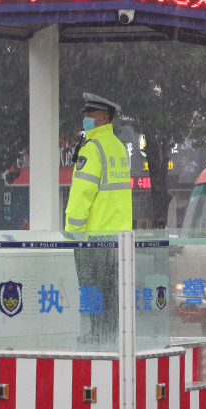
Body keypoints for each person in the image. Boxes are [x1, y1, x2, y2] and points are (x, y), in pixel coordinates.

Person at [65, 93, 132, 344]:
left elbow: (82, 193)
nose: (85, 119)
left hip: (93, 236)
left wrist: (73, 229)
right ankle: (111, 333)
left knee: (92, 288)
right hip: (118, 236)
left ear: (103, 118)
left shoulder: (92, 149)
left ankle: (96, 333)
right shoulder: (118, 148)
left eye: (90, 115)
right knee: (113, 290)